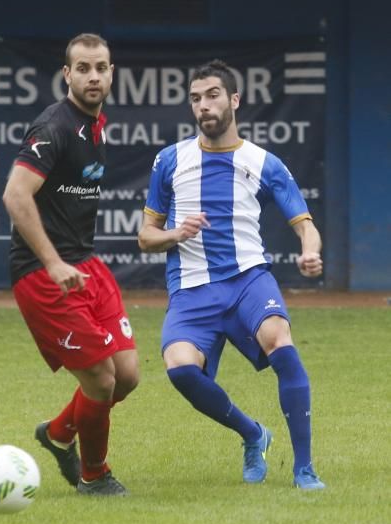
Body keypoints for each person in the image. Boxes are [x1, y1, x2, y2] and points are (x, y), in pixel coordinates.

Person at [138, 59, 325, 490]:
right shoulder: (169, 161)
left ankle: (304, 469)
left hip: (247, 280)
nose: (203, 105)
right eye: (196, 98)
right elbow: (145, 238)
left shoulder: (263, 162)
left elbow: (305, 225)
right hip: (191, 289)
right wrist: (175, 233)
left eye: (213, 95)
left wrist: (310, 252)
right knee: (180, 368)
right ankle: (253, 434)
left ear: (234, 100)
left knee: (280, 339)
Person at [3, 33, 139, 496]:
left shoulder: (96, 123)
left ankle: (59, 433)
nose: (93, 76)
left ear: (112, 72)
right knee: (101, 379)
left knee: (128, 376)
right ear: (67, 74)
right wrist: (53, 262)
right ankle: (93, 475)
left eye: (101, 67)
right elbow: (15, 196)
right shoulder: (54, 127)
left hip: (86, 264)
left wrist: (70, 262)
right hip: (44, 275)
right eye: (83, 68)